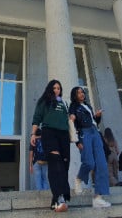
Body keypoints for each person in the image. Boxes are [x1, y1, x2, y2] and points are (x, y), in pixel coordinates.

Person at [30, 79, 71, 212]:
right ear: (49, 89)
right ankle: (60, 197)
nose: (56, 90)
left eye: (58, 88)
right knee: (55, 163)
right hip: (49, 133)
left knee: (65, 166)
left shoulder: (64, 103)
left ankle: (56, 200)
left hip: (64, 135)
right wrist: (33, 134)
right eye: (54, 88)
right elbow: (37, 118)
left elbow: (68, 120)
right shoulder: (44, 102)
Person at [69, 86, 111, 208]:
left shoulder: (88, 106)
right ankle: (78, 178)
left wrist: (97, 116)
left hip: (95, 133)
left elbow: (94, 122)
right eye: (78, 93)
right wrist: (77, 142)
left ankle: (98, 197)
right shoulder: (74, 107)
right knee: (89, 163)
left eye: (82, 92)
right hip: (84, 133)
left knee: (102, 165)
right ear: (75, 95)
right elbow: (73, 124)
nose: (82, 94)